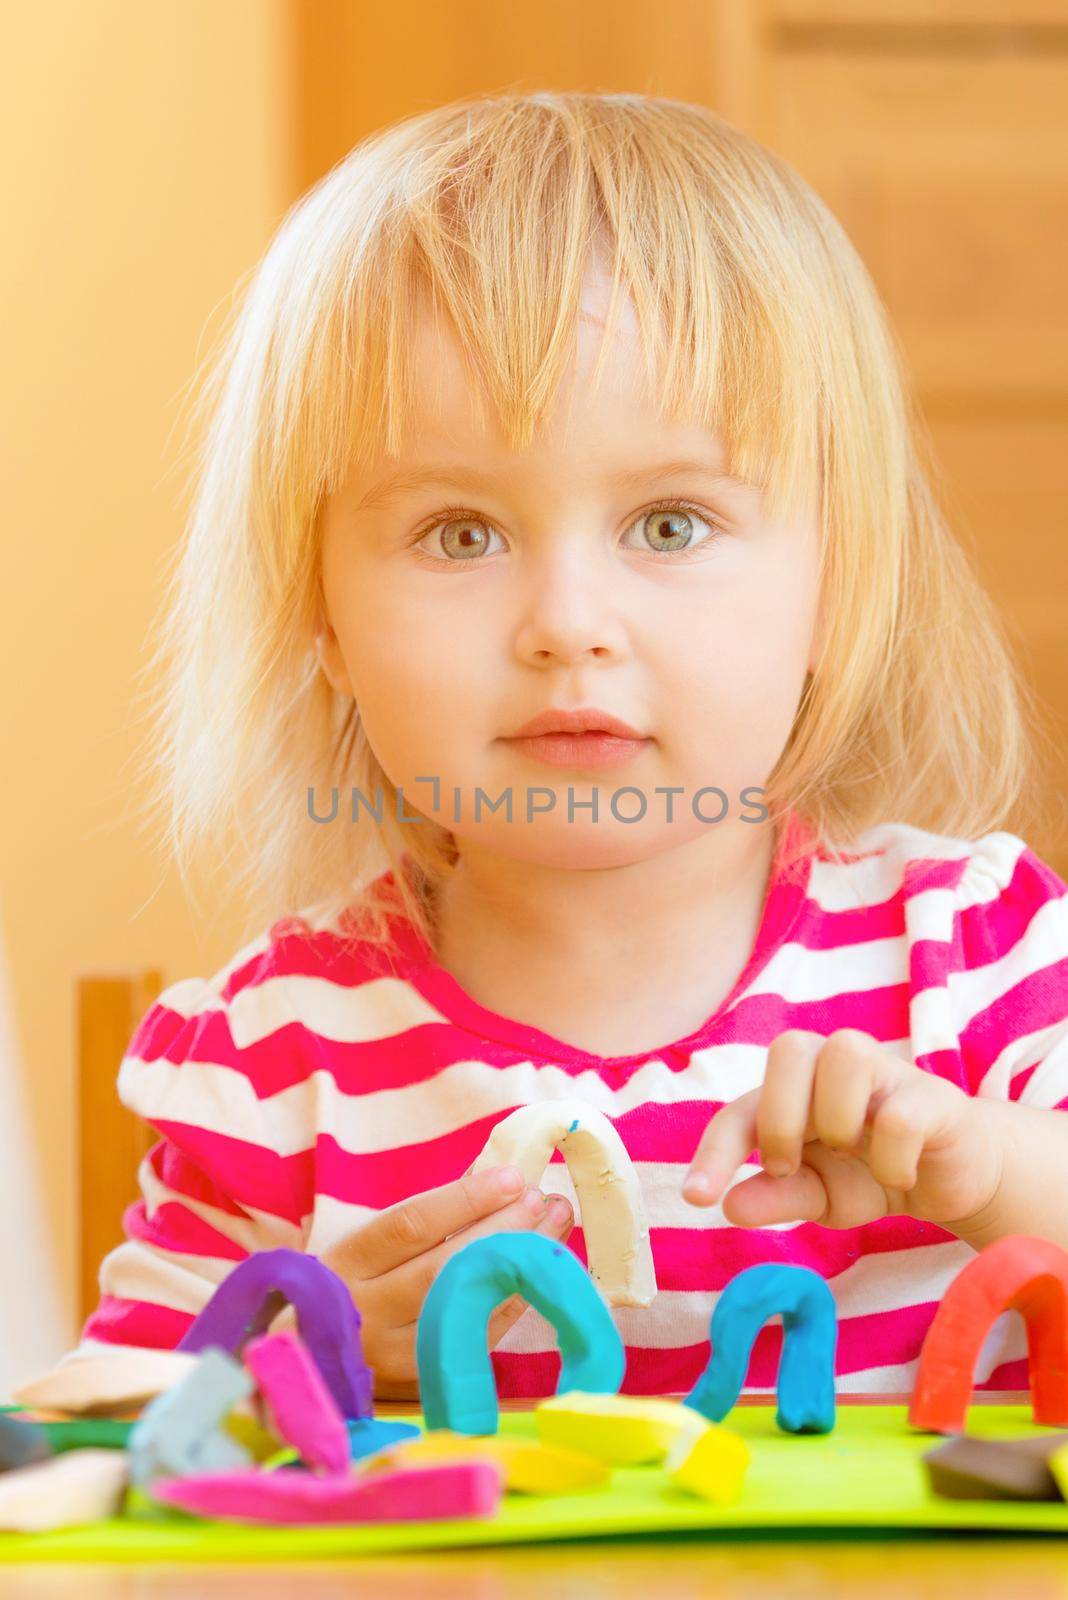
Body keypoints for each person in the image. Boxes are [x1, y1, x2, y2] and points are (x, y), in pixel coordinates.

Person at [77, 90, 1068, 1402]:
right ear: (319, 613)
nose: (567, 626)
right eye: (460, 534)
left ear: (840, 580)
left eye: (669, 525)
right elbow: (106, 1457)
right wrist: (301, 1369)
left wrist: (995, 1174)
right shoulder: (273, 1059)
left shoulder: (982, 963)